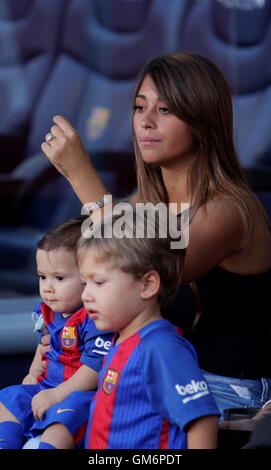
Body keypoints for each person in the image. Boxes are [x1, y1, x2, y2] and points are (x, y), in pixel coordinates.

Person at [41, 51, 271, 417]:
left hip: (224, 393)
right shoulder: (141, 206)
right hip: (153, 371)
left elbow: (136, 264)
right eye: (139, 107)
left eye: (165, 110)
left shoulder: (228, 210)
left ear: (203, 121)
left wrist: (81, 176)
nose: (145, 122)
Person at [78, 209, 219, 449]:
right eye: (84, 283)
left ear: (148, 284)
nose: (85, 295)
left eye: (98, 282)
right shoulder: (122, 338)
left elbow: (202, 420)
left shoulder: (161, 347)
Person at [0, 216, 113, 449]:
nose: (47, 287)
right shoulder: (48, 312)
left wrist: (58, 395)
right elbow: (44, 345)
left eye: (59, 278)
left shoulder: (93, 317)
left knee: (61, 426)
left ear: (89, 278)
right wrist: (34, 371)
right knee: (9, 399)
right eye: (42, 276)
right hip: (47, 386)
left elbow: (95, 368)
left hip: (80, 394)